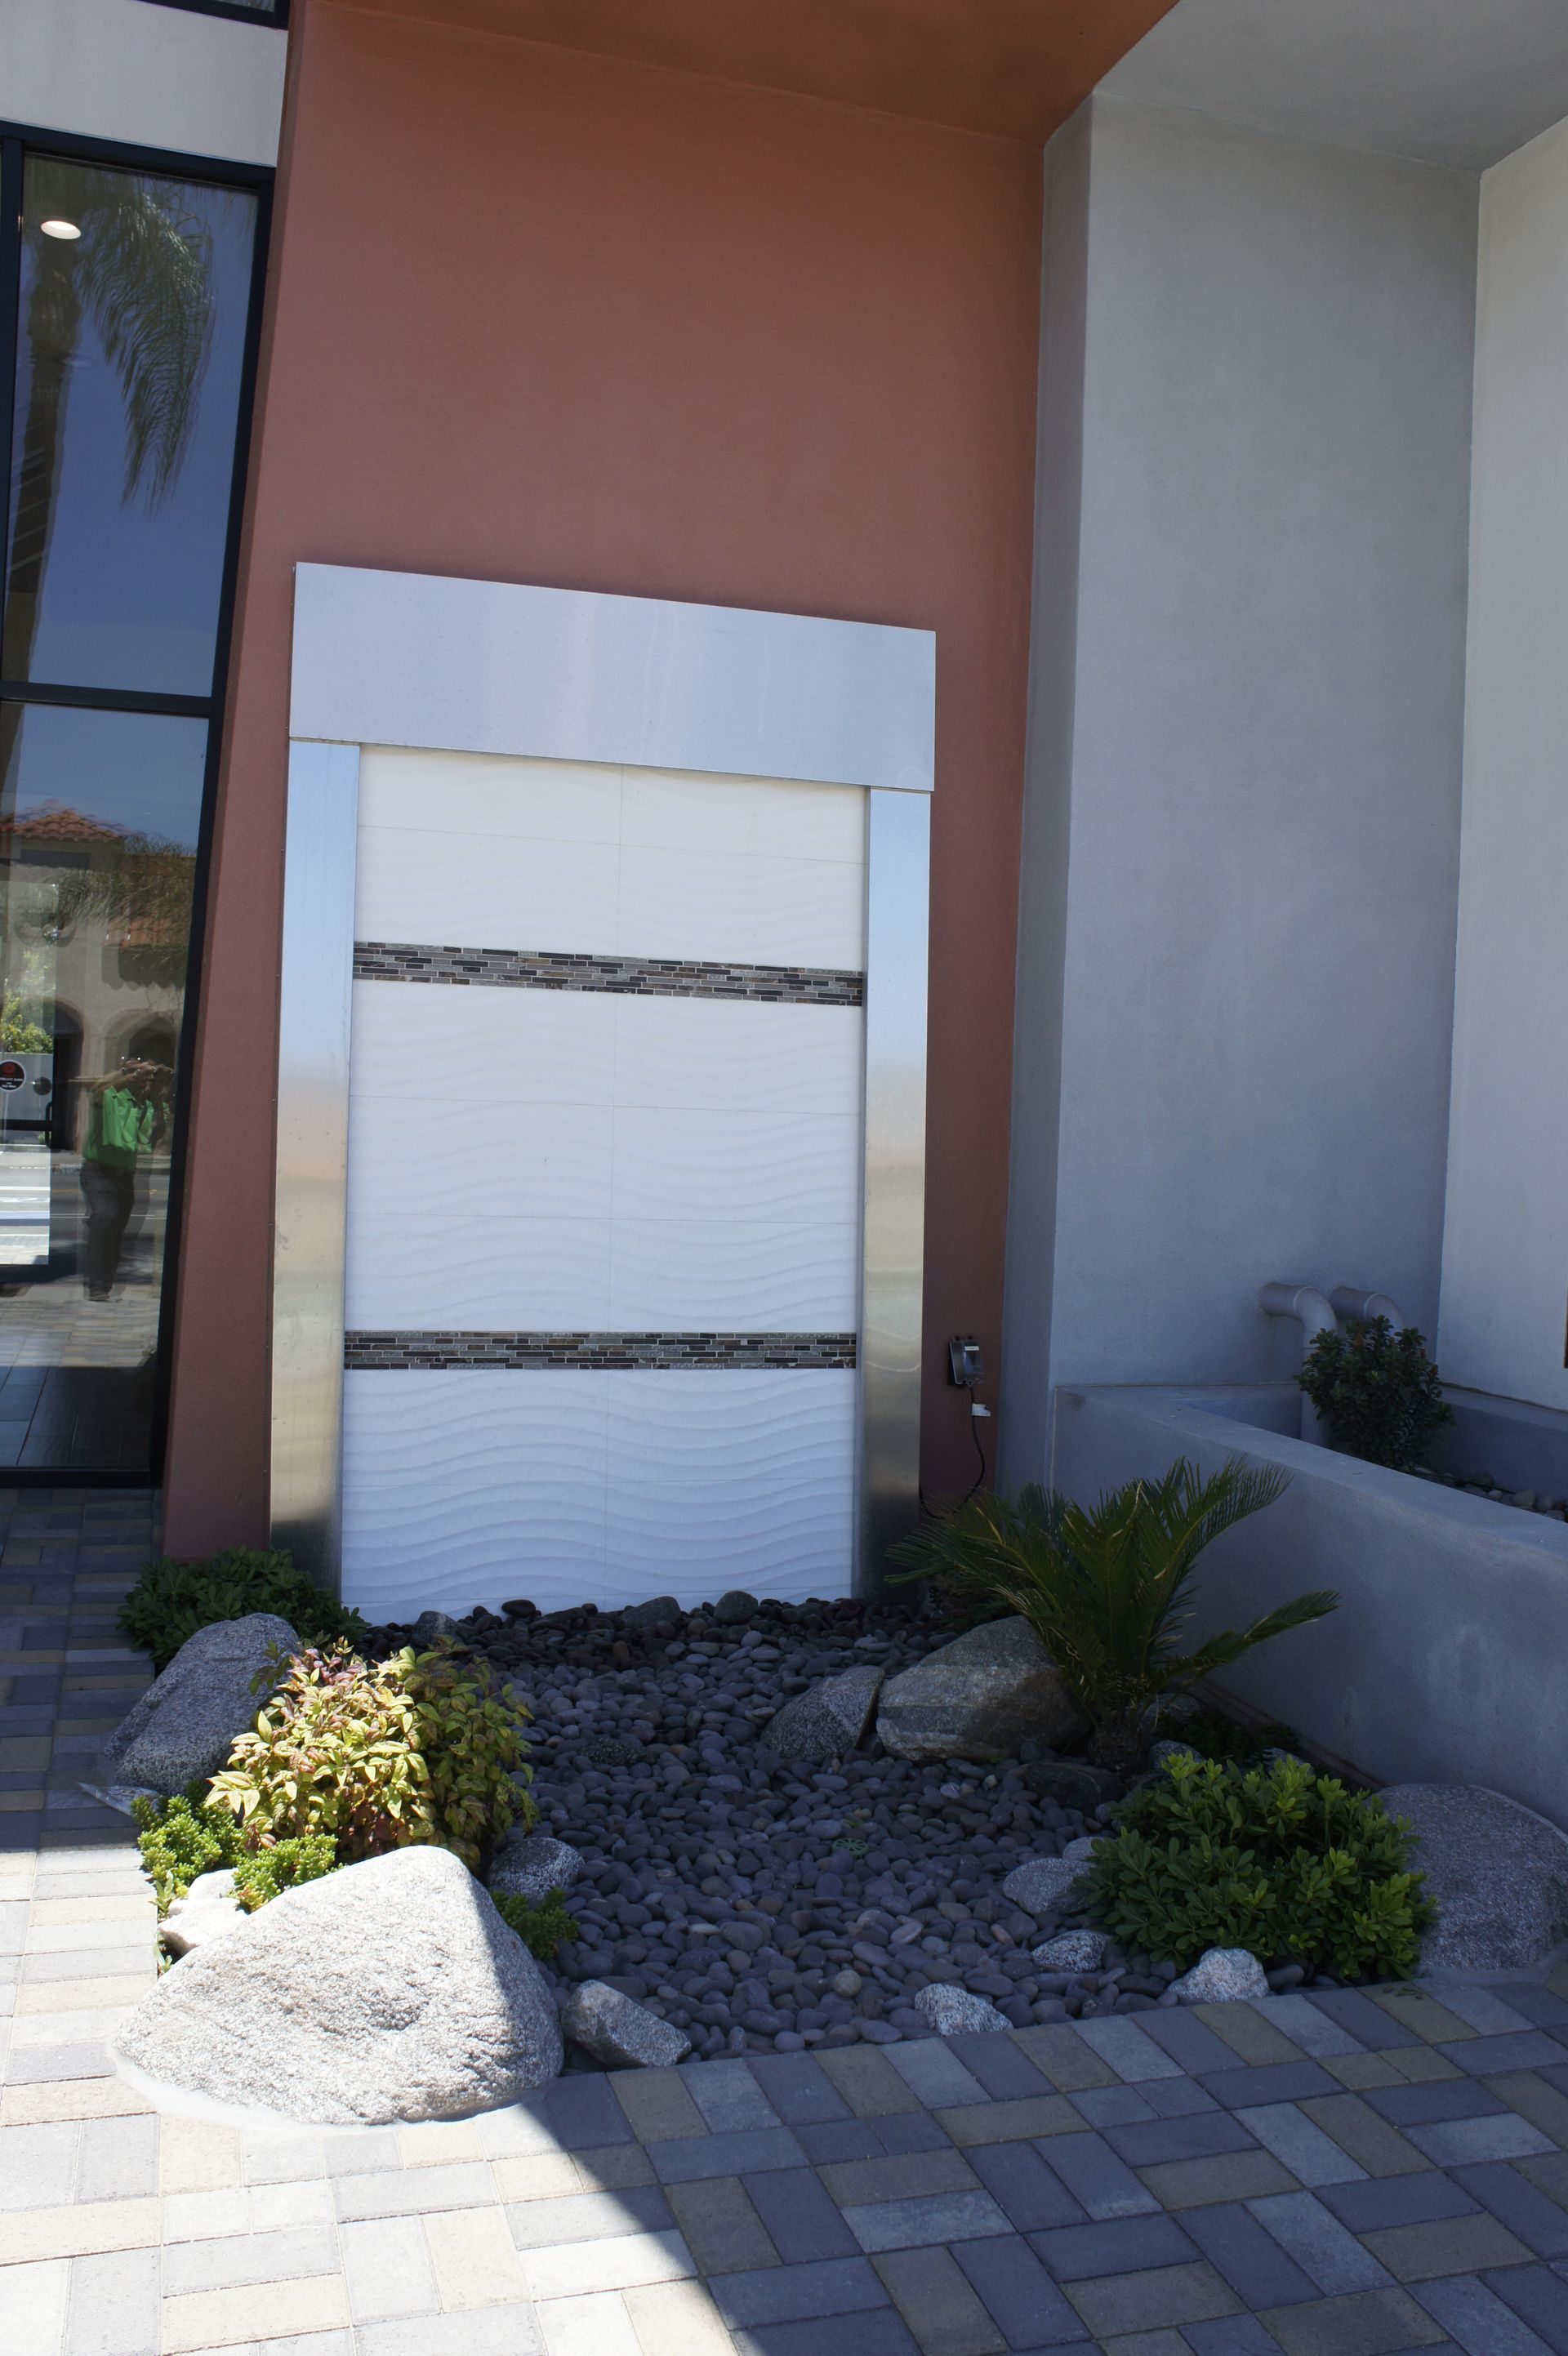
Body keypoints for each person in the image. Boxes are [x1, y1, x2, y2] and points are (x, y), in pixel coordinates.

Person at [74, 1059, 171, 1299]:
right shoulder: (110, 1098)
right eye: (140, 1077)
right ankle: (98, 1286)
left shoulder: (146, 1107)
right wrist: (129, 1072)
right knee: (104, 1219)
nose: (144, 1082)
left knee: (116, 1232)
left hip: (125, 1177)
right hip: (98, 1172)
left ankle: (105, 1283)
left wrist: (159, 1090)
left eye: (146, 1078)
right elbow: (100, 1086)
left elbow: (157, 1133)